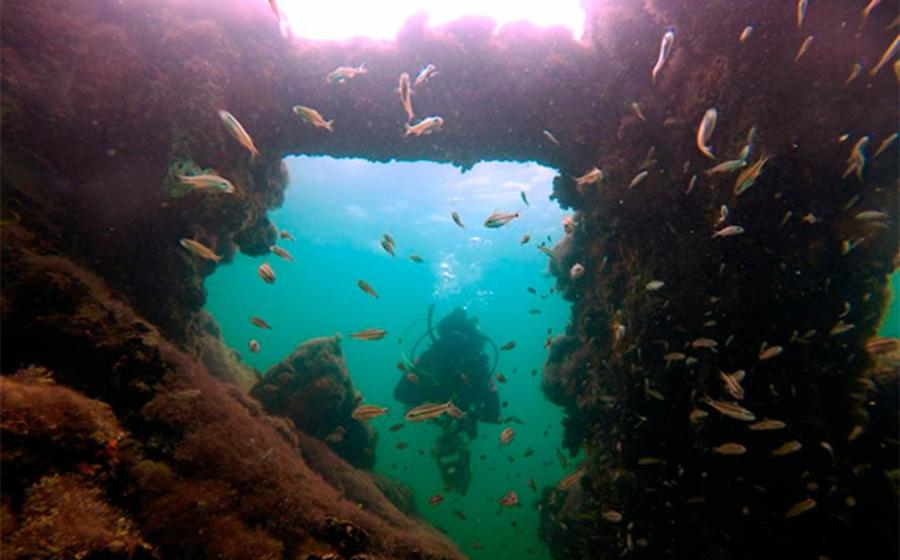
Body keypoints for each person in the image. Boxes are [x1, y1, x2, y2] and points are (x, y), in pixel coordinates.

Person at [394, 307, 501, 493]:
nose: (454, 346)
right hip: (454, 415)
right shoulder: (478, 364)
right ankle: (455, 469)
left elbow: (400, 393)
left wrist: (425, 399)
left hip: (448, 414)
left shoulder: (433, 354)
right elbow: (493, 414)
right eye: (451, 342)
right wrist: (470, 416)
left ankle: (453, 469)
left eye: (458, 342)